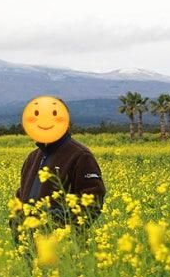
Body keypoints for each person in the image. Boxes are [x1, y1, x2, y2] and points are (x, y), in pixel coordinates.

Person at [9, 96, 106, 250]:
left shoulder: (80, 156)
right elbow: (21, 198)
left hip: (65, 251)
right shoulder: (33, 157)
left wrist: (59, 227)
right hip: (30, 250)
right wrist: (17, 228)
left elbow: (93, 201)